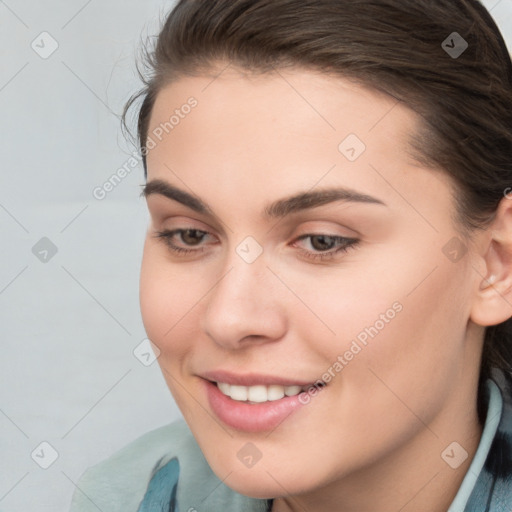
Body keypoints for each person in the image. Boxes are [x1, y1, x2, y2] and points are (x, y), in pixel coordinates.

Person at [69, 0, 512, 510]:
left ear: (495, 264)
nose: (229, 318)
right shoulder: (129, 496)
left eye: (322, 241)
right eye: (190, 235)